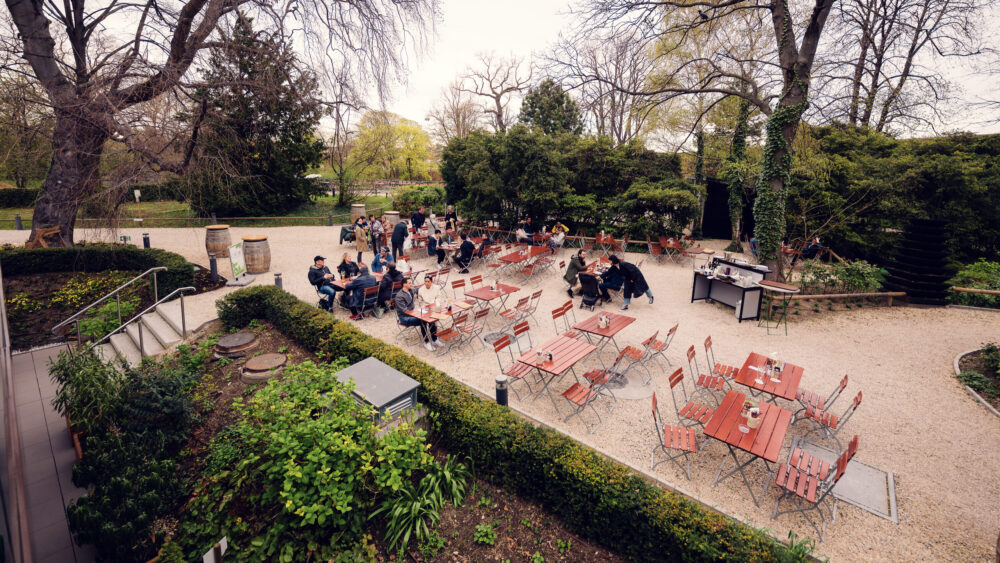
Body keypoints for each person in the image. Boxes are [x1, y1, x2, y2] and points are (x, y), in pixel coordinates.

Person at [395, 278, 441, 351]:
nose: (411, 284)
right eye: (409, 283)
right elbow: (405, 311)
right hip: (404, 317)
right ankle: (427, 342)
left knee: (431, 318)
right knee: (424, 320)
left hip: (413, 314)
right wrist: (417, 314)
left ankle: (434, 339)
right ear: (404, 284)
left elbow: (419, 288)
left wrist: (428, 284)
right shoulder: (399, 296)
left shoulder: (410, 291)